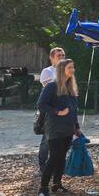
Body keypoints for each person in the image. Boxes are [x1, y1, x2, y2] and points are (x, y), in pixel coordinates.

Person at [37, 57, 80, 196]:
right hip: (54, 129)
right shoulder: (51, 86)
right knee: (54, 157)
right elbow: (41, 104)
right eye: (69, 68)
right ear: (62, 70)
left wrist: (77, 127)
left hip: (68, 129)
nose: (72, 70)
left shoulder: (71, 88)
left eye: (73, 68)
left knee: (62, 158)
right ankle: (43, 189)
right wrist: (57, 112)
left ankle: (57, 184)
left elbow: (74, 109)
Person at [35, 46, 66, 175]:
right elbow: (49, 89)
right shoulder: (47, 71)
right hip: (50, 110)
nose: (62, 58)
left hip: (64, 108)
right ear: (52, 58)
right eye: (59, 55)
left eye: (63, 55)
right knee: (47, 139)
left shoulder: (66, 71)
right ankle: (42, 166)